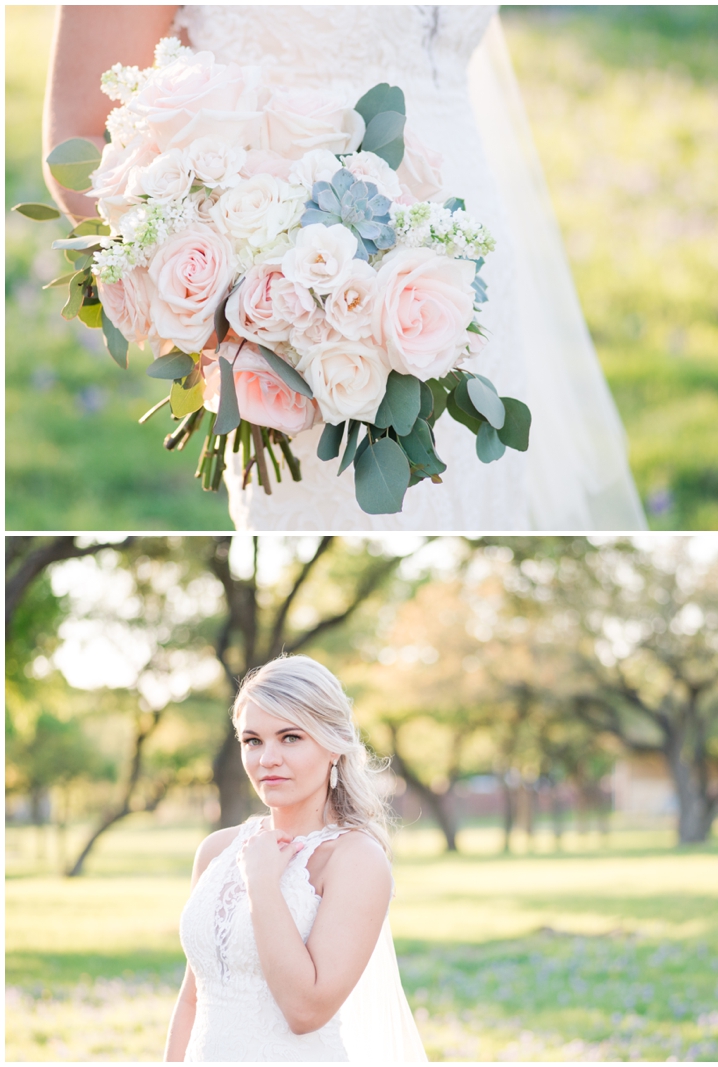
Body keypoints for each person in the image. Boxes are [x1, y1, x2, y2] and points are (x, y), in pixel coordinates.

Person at [44, 5, 646, 532]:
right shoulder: (273, 316)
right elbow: (82, 129)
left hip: (466, 282)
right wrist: (240, 306)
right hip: (290, 322)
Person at [164, 654, 426, 1062]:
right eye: (253, 741)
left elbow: (306, 1010)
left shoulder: (355, 859)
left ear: (333, 746)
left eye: (290, 737)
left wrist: (262, 883)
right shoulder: (216, 851)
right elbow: (192, 1000)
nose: (267, 758)